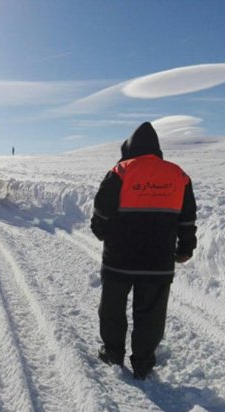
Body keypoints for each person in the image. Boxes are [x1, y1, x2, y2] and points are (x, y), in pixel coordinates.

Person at [90, 122, 197, 379]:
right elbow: (187, 218)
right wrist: (185, 248)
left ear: (129, 147)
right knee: (151, 313)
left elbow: (102, 210)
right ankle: (143, 362)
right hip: (158, 261)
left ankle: (113, 352)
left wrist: (101, 232)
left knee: (113, 308)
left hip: (119, 258)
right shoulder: (179, 175)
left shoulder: (121, 172)